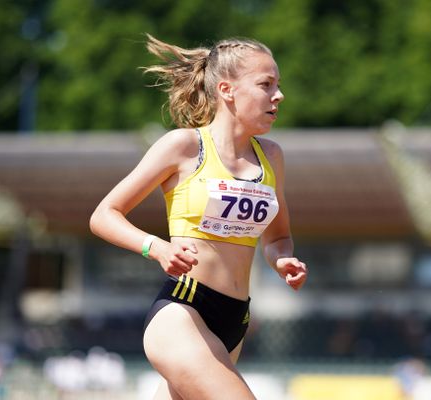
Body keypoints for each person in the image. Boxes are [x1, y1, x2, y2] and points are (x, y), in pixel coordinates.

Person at [89, 34, 308, 399]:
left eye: (278, 85)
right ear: (227, 90)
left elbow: (277, 238)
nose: (278, 95)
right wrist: (155, 248)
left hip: (235, 319)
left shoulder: (272, 157)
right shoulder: (185, 146)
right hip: (182, 312)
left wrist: (283, 260)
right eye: (266, 85)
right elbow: (104, 215)